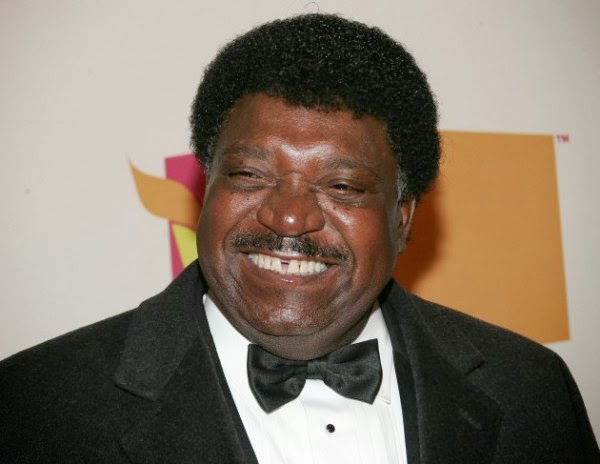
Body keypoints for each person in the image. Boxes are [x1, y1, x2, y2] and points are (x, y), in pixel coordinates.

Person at [0, 13, 598, 464]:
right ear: (205, 190)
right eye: (250, 175)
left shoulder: (531, 390)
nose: (288, 219)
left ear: (403, 217)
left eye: (342, 186)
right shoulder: (33, 409)